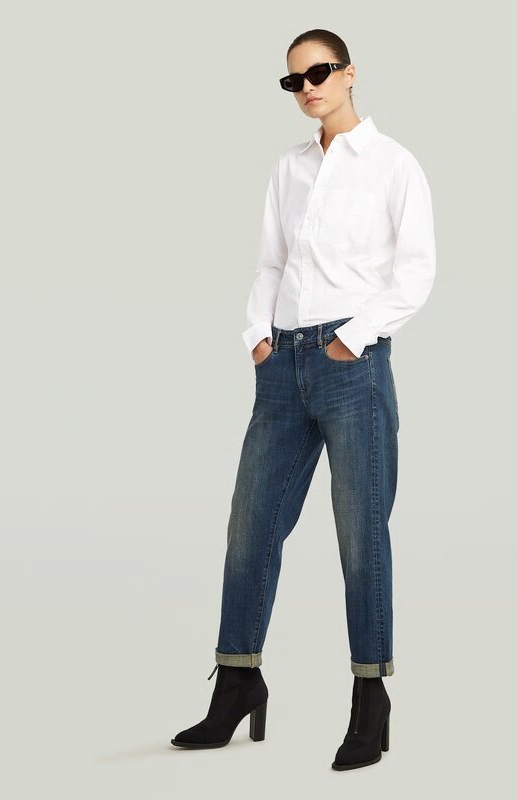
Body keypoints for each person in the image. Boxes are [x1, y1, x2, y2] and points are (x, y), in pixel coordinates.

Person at [171, 29, 436, 770]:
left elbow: (416, 271)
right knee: (249, 528)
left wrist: (352, 339)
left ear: (349, 73)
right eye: (294, 80)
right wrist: (258, 337)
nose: (308, 87)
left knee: (360, 536)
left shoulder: (393, 164)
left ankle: (370, 699)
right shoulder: (289, 169)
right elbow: (271, 263)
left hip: (352, 366)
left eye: (319, 72)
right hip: (281, 365)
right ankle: (237, 682)